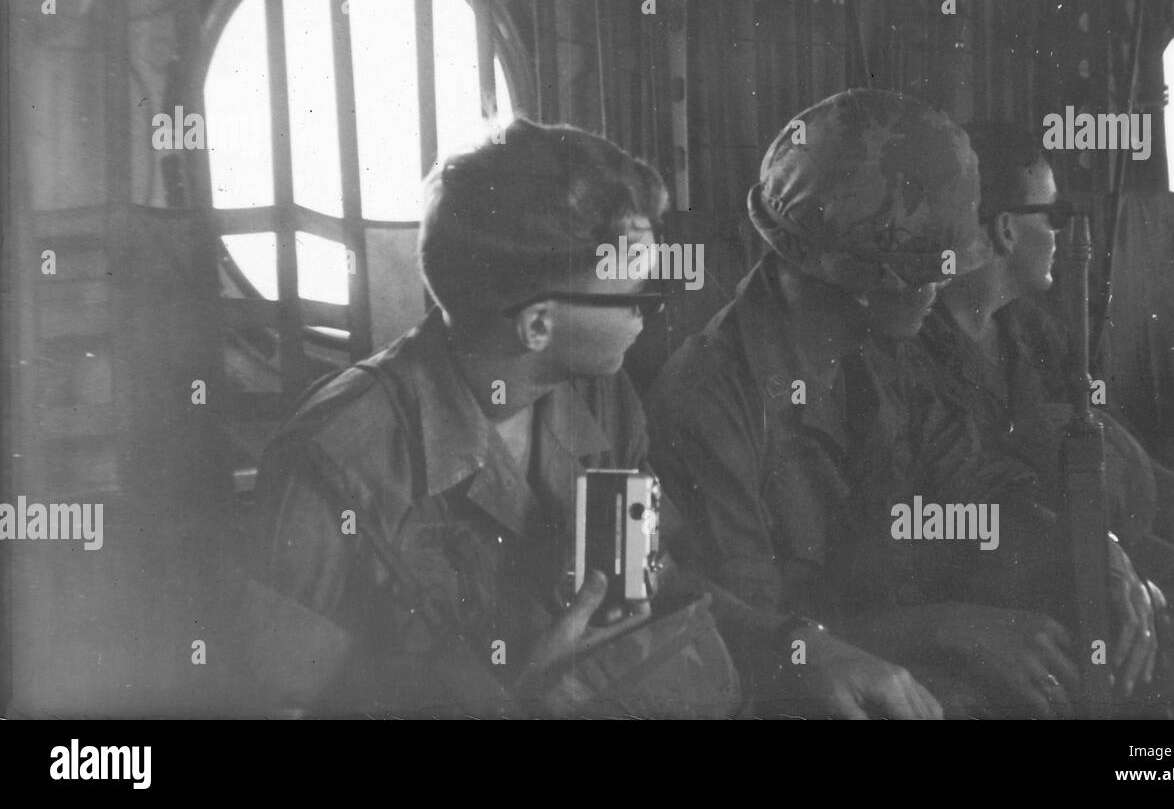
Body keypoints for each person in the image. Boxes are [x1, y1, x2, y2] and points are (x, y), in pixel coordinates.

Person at [242, 118, 940, 719]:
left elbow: (652, 575)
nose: (653, 312)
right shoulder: (333, 464)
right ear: (539, 324)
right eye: (636, 296)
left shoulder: (601, 399)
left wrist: (802, 644)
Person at [646, 89, 1165, 719]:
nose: (947, 283)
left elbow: (970, 488)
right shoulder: (713, 401)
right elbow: (750, 640)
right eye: (925, 267)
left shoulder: (880, 346)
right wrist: (944, 626)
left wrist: (1091, 547)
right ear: (849, 274)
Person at [913, 120, 1174, 714]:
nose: (1065, 235)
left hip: (1118, 549)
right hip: (1048, 589)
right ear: (1007, 230)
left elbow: (1120, 458)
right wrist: (1132, 566)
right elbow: (978, 508)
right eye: (1056, 216)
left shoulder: (1031, 331)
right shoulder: (921, 353)